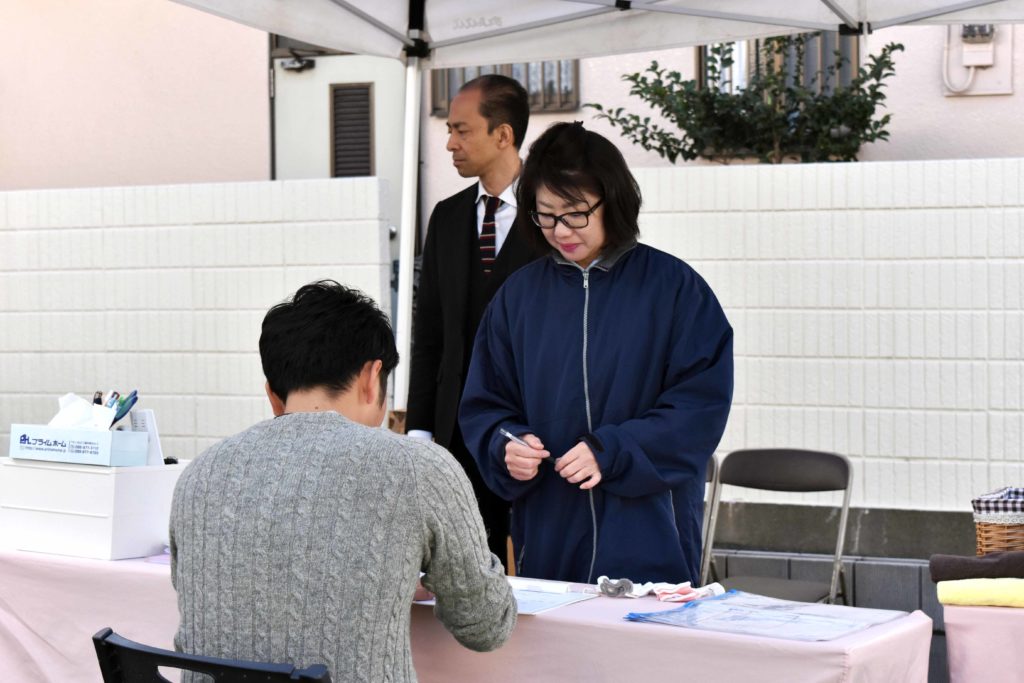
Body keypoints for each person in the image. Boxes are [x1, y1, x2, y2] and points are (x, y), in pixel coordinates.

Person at [169, 281, 515, 682]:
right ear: (372, 377)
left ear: (273, 394)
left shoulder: (201, 473)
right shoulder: (418, 467)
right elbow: (486, 625)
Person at [459, 122, 734, 585]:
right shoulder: (517, 298)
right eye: (545, 215)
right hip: (548, 539)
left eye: (575, 213)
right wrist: (507, 444)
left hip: (651, 540)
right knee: (552, 654)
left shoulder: (675, 290)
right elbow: (486, 404)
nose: (560, 230)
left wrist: (612, 451)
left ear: (614, 201)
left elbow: (698, 408)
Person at [406, 74, 536, 569]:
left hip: (532, 434)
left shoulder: (552, 218)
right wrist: (420, 428)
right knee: (462, 570)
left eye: (462, 130)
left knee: (535, 568)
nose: (449, 143)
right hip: (455, 434)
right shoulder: (447, 217)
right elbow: (430, 333)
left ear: (502, 135)